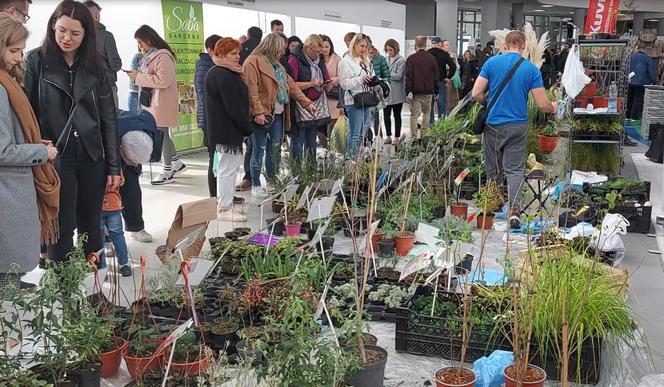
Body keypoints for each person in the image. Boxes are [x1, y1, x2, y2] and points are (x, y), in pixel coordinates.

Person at [24, 0, 120, 262]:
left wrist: (114, 166)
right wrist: (34, 148)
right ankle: (65, 295)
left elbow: (108, 118)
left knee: (92, 224)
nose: (67, 38)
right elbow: (25, 112)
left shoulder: (96, 66)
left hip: (91, 153)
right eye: (62, 30)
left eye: (75, 33)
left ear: (87, 34)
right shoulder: (35, 61)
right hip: (55, 156)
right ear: (53, 26)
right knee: (61, 227)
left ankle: (95, 292)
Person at [471, 30, 556, 229]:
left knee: (494, 170)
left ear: (505, 46)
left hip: (493, 125)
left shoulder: (491, 63)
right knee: (515, 170)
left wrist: (487, 102)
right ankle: (515, 212)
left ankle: (491, 207)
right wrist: (554, 107)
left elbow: (476, 93)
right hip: (518, 126)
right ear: (524, 47)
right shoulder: (531, 69)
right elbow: (542, 104)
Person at [0, 15, 59, 287]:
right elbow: (2, 150)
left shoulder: (7, 81)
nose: (19, 57)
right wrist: (40, 153)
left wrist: (35, 144)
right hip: (8, 191)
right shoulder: (1, 87)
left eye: (22, 50)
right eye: (13, 50)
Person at [243, 33, 314, 197]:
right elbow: (251, 91)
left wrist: (307, 102)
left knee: (274, 149)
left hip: (279, 114)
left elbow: (292, 86)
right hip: (262, 116)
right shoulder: (252, 62)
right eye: (281, 48)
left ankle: (272, 181)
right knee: (258, 150)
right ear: (273, 46)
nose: (283, 52)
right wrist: (258, 112)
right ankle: (255, 184)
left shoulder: (278, 66)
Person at [128, 25, 183, 185]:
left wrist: (138, 77)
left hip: (162, 102)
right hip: (156, 101)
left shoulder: (163, 56)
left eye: (141, 42)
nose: (140, 46)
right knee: (163, 134)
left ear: (149, 39)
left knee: (162, 134)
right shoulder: (154, 55)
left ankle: (167, 171)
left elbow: (162, 80)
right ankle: (176, 162)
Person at [206, 38, 251, 222]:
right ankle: (224, 208)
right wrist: (247, 127)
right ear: (221, 54)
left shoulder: (225, 72)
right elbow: (233, 106)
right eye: (233, 53)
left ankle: (226, 204)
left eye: (238, 53)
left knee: (230, 169)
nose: (237, 57)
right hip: (225, 130)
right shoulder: (221, 74)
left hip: (228, 130)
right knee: (226, 170)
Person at [287, 34, 332, 167]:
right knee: (298, 140)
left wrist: (328, 84)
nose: (316, 54)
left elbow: (326, 78)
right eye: (314, 51)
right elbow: (291, 84)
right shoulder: (294, 60)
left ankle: (310, 170)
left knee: (311, 140)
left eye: (319, 52)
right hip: (299, 105)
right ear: (306, 48)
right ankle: (297, 172)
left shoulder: (320, 61)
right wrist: (311, 83)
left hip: (315, 105)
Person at [339, 33, 377, 155]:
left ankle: (357, 162)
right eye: (361, 46)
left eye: (366, 46)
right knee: (355, 135)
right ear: (354, 45)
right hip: (353, 101)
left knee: (362, 134)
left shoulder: (366, 60)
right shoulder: (345, 62)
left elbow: (372, 75)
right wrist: (360, 79)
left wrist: (376, 83)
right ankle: (351, 163)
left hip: (367, 100)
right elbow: (343, 84)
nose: (364, 49)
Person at [236, 26, 263, 192]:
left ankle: (250, 179)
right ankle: (254, 180)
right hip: (263, 107)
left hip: (250, 106)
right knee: (259, 146)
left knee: (253, 145)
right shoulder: (259, 52)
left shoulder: (245, 51)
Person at [196, 34, 221, 197]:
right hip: (210, 119)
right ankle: (215, 196)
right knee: (215, 158)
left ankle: (224, 193)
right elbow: (205, 97)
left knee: (221, 159)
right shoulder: (206, 67)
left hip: (215, 119)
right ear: (211, 50)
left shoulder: (212, 65)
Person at [83, 0, 121, 106]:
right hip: (107, 85)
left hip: (84, 87)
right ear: (96, 14)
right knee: (111, 119)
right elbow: (116, 65)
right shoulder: (106, 36)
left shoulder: (78, 36)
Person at [99, 170, 131, 276]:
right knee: (118, 235)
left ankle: (101, 267)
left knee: (98, 238)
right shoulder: (114, 166)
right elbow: (121, 181)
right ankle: (124, 264)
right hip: (113, 205)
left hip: (96, 206)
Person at [405, 36, 438, 139]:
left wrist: (408, 91)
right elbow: (435, 76)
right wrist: (436, 91)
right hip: (428, 91)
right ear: (425, 45)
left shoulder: (411, 59)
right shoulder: (431, 58)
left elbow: (408, 76)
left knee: (414, 115)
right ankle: (424, 135)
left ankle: (413, 136)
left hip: (415, 91)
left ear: (415, 45)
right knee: (427, 113)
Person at [428, 37, 456, 124]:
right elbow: (453, 66)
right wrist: (448, 77)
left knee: (430, 106)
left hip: (429, 83)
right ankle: (441, 126)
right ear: (440, 44)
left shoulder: (427, 53)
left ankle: (431, 126)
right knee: (442, 105)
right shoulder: (444, 54)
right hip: (440, 82)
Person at [627, 41, 656, 122]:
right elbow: (651, 72)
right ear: (645, 49)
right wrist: (654, 82)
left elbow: (627, 68)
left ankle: (627, 116)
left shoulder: (631, 57)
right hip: (641, 83)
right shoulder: (648, 59)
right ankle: (635, 117)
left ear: (638, 48)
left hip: (630, 81)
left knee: (630, 99)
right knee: (638, 99)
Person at [321, 34, 342, 148]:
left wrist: (330, 81)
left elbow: (342, 76)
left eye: (326, 47)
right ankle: (325, 148)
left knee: (334, 121)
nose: (324, 49)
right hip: (321, 95)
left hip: (333, 95)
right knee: (322, 124)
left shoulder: (337, 59)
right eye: (322, 47)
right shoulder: (317, 59)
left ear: (330, 47)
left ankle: (335, 148)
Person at [383, 39, 405, 145]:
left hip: (397, 93)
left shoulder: (401, 60)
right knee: (386, 115)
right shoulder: (385, 59)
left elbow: (398, 76)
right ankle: (388, 136)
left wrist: (387, 74)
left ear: (395, 48)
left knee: (397, 115)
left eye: (391, 50)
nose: (389, 52)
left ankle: (396, 137)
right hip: (387, 93)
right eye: (387, 50)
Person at [368, 42, 390, 139]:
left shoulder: (380, 59)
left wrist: (380, 83)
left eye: (372, 53)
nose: (370, 54)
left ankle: (378, 139)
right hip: (366, 92)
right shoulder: (363, 60)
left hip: (377, 91)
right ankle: (369, 139)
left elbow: (386, 75)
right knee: (367, 119)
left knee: (376, 116)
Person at [127, 49, 143, 113]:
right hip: (135, 90)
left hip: (146, 92)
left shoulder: (154, 57)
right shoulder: (137, 56)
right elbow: (134, 75)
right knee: (132, 116)